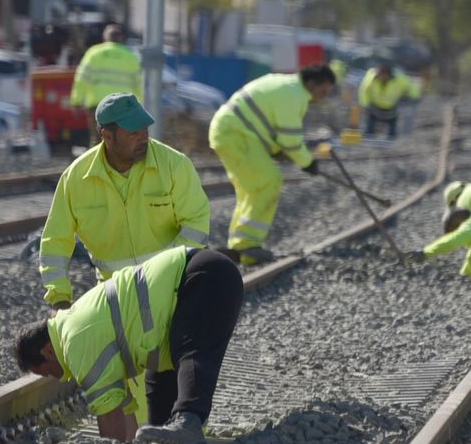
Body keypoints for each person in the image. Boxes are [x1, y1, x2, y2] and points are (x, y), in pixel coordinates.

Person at [15, 245, 243, 444]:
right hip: (197, 280)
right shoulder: (70, 326)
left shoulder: (76, 343)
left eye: (46, 372)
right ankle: (181, 428)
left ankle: (189, 421)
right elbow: (123, 406)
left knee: (192, 350)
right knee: (159, 426)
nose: (57, 378)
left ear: (47, 351)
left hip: (203, 278)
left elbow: (109, 414)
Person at [38, 92, 210, 303]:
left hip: (171, 288)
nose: (143, 137)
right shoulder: (76, 178)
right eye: (133, 132)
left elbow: (197, 223)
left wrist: (167, 272)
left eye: (145, 128)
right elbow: (55, 241)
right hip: (114, 295)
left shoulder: (175, 165)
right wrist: (59, 298)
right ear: (106, 135)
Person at [208, 64, 336, 265]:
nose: (323, 96)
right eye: (323, 90)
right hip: (237, 134)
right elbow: (290, 141)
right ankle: (246, 245)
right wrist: (308, 162)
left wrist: (278, 150)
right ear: (312, 83)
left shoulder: (286, 84)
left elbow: (272, 127)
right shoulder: (295, 94)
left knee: (251, 190)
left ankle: (243, 249)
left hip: (231, 132)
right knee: (269, 182)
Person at [71, 24, 141, 139]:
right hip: (123, 108)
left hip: (98, 107)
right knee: (122, 143)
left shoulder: (94, 53)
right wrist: (139, 107)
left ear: (105, 38)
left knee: (98, 143)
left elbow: (82, 78)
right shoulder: (131, 57)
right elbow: (139, 85)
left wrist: (76, 101)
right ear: (121, 39)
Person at [359, 62, 408, 139]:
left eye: (385, 75)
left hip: (391, 108)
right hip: (375, 107)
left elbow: (409, 87)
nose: (383, 77)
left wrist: (412, 97)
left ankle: (392, 141)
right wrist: (366, 104)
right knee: (369, 125)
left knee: (392, 128)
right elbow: (364, 91)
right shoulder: (371, 79)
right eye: (381, 75)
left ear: (389, 75)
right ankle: (368, 139)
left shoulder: (399, 79)